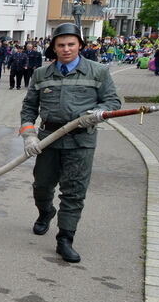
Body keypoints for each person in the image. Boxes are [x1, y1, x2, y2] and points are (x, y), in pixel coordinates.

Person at [20, 23, 120, 263]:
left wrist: (99, 111)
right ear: (53, 47)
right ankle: (46, 212)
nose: (66, 49)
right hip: (48, 141)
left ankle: (65, 238)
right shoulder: (41, 74)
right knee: (41, 186)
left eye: (71, 44)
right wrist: (29, 134)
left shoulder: (98, 72)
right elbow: (29, 108)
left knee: (73, 192)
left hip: (80, 141)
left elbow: (112, 102)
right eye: (61, 45)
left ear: (80, 45)